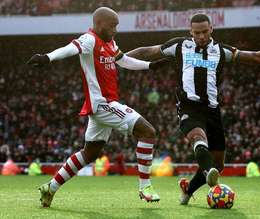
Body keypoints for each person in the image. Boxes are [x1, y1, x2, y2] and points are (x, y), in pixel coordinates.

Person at [126, 13, 260, 205]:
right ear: (190, 32)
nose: (202, 36)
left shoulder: (222, 51)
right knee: (198, 138)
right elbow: (147, 51)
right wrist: (119, 58)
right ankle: (207, 172)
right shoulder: (179, 46)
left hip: (212, 110)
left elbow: (254, 57)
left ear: (211, 29)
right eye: (197, 32)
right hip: (189, 105)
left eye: (205, 31)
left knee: (219, 164)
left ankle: (189, 189)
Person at [27, 7, 160, 207]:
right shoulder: (89, 40)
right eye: (112, 26)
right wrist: (47, 57)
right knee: (148, 132)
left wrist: (149, 66)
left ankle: (50, 188)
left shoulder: (110, 42)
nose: (115, 30)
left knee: (90, 153)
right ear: (99, 24)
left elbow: (123, 60)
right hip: (102, 104)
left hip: (102, 106)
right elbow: (69, 49)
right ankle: (145, 186)